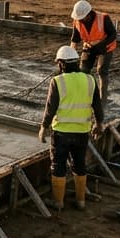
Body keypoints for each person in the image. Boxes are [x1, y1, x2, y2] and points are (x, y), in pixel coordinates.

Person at [38, 45, 104, 211]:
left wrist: (43, 127)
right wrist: (99, 124)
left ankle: (58, 202)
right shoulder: (90, 80)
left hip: (61, 132)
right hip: (82, 131)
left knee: (58, 166)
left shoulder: (58, 82)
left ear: (61, 63)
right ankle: (80, 201)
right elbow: (97, 105)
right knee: (79, 164)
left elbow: (50, 108)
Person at [70, 0, 117, 110]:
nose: (80, 20)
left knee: (101, 71)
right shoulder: (77, 21)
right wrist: (71, 54)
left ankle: (102, 101)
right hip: (89, 48)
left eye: (82, 18)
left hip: (105, 47)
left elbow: (113, 35)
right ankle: (86, 96)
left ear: (89, 14)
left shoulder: (103, 18)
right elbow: (75, 39)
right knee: (83, 71)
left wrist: (100, 43)